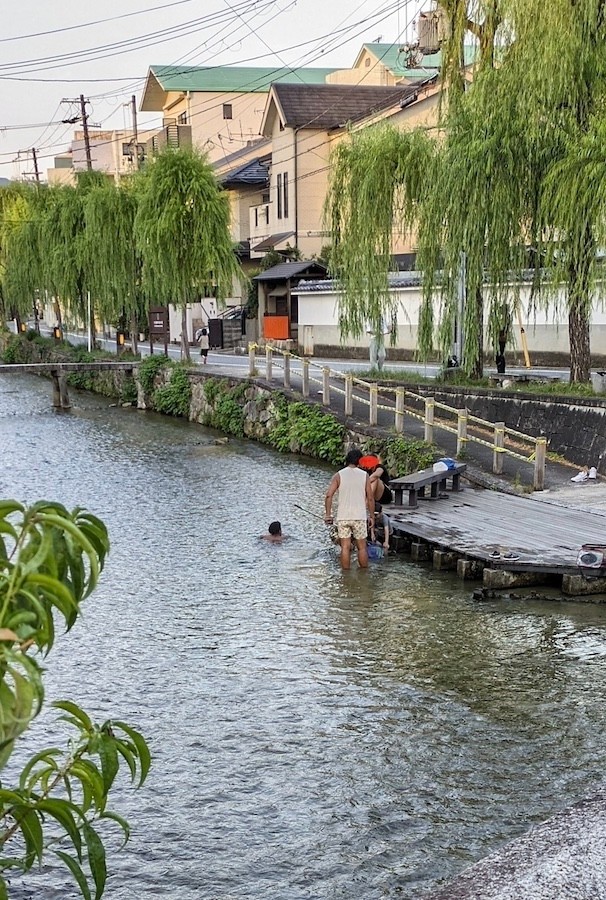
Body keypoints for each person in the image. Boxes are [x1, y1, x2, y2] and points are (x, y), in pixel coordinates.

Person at [325, 448, 375, 570]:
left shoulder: (339, 475)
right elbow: (370, 498)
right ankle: (364, 574)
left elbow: (329, 495)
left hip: (343, 517)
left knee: (345, 547)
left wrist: (328, 514)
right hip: (359, 517)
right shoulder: (365, 475)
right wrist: (372, 516)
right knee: (362, 547)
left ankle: (345, 576)